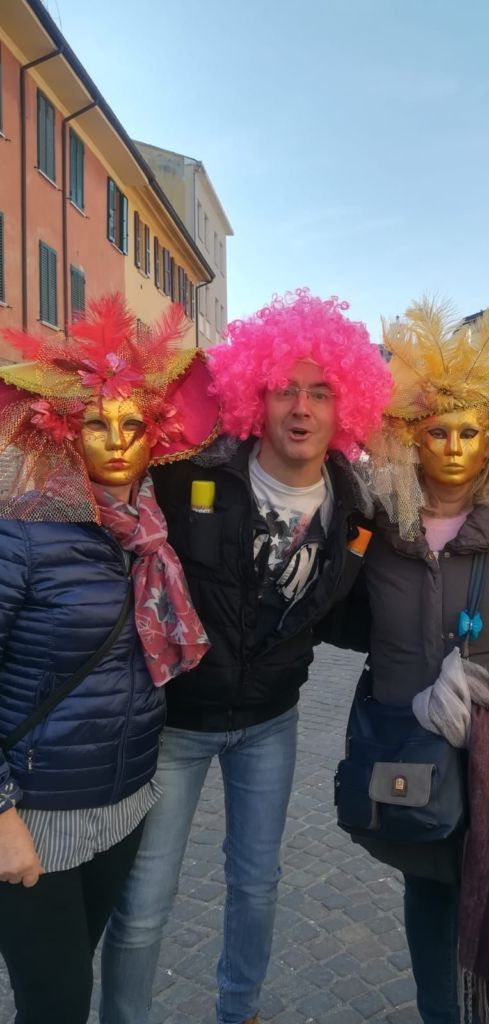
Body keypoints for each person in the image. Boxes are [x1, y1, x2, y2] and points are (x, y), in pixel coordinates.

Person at [100, 288, 393, 1024]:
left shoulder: (357, 512)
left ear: (346, 407)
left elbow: (353, 616)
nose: (301, 408)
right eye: (283, 389)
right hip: (176, 724)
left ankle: (242, 1011)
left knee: (257, 884)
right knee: (144, 900)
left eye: (320, 392)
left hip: (270, 723)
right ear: (252, 398)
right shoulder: (189, 477)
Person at [325, 298, 489, 1024]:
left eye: (469, 432)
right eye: (439, 432)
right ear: (413, 436)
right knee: (428, 886)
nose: (456, 447)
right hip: (408, 739)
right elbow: (338, 613)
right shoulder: (378, 523)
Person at [0, 295, 216, 1024]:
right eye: (97, 424)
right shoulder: (23, 532)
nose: (118, 442)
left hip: (120, 806)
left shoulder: (152, 529)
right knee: (56, 1004)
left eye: (134, 425)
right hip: (33, 814)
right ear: (64, 432)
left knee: (71, 985)